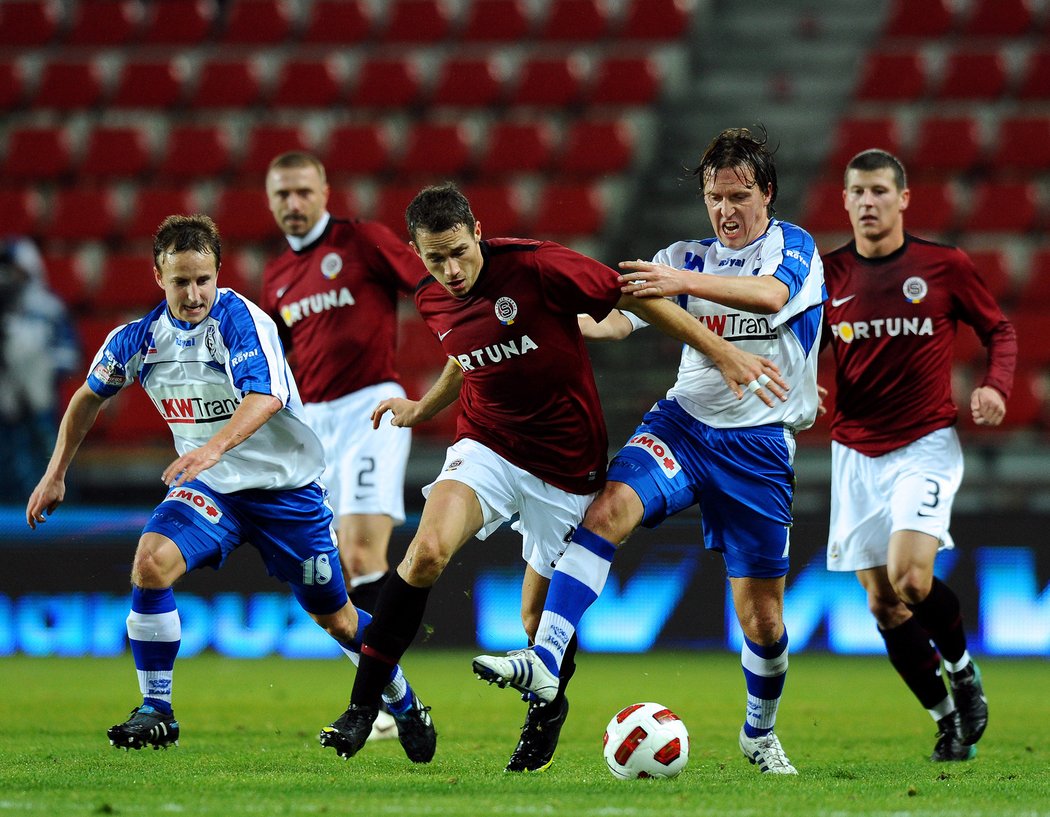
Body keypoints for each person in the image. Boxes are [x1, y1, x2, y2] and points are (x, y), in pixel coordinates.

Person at [316, 181, 789, 770]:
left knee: (539, 618)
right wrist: (423, 408)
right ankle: (364, 707)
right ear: (418, 254)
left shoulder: (539, 267)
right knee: (423, 555)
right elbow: (464, 353)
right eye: (436, 258)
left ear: (478, 233)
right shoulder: (432, 296)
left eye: (460, 251)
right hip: (486, 444)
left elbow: (632, 297)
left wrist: (720, 352)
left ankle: (547, 711)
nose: (452, 269)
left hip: (566, 466)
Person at [473, 126, 825, 776]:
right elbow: (611, 320)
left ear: (767, 193)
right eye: (715, 197)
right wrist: (549, 319)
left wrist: (676, 281)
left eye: (740, 195)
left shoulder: (793, 249)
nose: (726, 211)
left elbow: (772, 297)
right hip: (683, 427)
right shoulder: (684, 255)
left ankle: (757, 731)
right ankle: (545, 660)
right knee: (606, 512)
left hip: (760, 449)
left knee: (765, 621)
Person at [24, 214, 435, 763]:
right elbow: (86, 398)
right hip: (213, 492)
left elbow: (263, 399)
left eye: (203, 280)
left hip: (286, 493)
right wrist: (56, 473)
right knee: (150, 563)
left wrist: (212, 447)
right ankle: (157, 711)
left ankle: (404, 701)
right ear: (157, 276)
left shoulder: (243, 320)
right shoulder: (137, 339)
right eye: (181, 281)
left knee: (336, 617)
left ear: (218, 274)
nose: (194, 294)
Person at [820, 149, 1016, 762]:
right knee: (882, 604)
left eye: (880, 190)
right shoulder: (826, 276)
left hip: (924, 445)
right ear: (846, 200)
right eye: (858, 192)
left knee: (910, 578)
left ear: (903, 199)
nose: (869, 202)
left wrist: (996, 386)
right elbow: (795, 348)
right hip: (855, 453)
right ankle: (944, 720)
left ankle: (961, 671)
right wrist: (806, 388)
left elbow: (1000, 331)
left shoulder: (942, 266)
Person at [263, 152, 426, 742]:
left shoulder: (363, 242)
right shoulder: (277, 275)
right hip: (313, 426)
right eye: (282, 194)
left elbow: (426, 285)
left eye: (303, 191)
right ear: (270, 199)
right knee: (326, 575)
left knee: (359, 556)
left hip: (372, 408)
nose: (293, 203)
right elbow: (278, 363)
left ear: (325, 190)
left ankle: (381, 699)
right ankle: (393, 694)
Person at [0, 237, 80, 502]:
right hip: (6, 405)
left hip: (41, 403)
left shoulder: (48, 307)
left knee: (50, 459)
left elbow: (72, 355)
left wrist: (43, 368)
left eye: (14, 269)